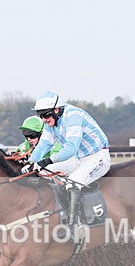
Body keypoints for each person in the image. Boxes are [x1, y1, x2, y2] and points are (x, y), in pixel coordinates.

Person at [25, 91, 111, 239]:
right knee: (43, 172)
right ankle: (61, 212)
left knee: (72, 182)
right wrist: (31, 162)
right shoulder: (51, 122)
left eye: (46, 115)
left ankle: (74, 226)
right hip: (78, 159)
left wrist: (47, 160)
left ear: (56, 109)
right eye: (41, 116)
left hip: (98, 157)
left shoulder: (73, 116)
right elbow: (44, 144)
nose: (44, 119)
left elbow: (71, 148)